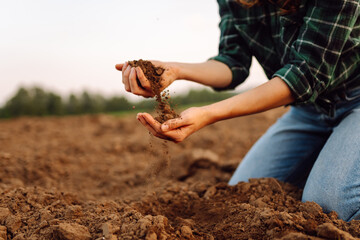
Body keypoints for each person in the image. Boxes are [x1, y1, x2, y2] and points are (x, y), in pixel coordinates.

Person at [116, 0, 360, 221]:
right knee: (243, 192)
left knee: (330, 206)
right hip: (308, 111)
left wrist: (209, 113)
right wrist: (175, 70)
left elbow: (304, 75)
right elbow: (233, 62)